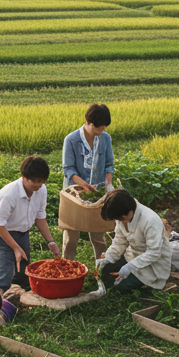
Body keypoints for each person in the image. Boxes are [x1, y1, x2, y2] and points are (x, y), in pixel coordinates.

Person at [0, 156, 60, 293]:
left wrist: (50, 241)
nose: (38, 185)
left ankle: (20, 298)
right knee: (5, 273)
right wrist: (16, 248)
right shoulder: (8, 194)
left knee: (23, 272)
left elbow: (40, 218)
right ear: (23, 176)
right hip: (4, 235)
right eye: (34, 181)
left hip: (23, 234)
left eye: (41, 181)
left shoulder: (41, 190)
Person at [60, 103, 114, 261]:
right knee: (71, 236)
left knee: (99, 235)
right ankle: (68, 267)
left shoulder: (105, 138)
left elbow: (109, 164)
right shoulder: (71, 140)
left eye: (103, 128)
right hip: (74, 193)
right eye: (98, 128)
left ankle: (101, 267)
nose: (101, 131)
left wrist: (108, 183)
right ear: (88, 123)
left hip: (97, 193)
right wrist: (83, 185)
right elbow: (68, 169)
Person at [95, 188, 170, 292]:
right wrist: (107, 258)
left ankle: (143, 283)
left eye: (122, 219)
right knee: (105, 271)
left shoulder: (150, 220)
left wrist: (131, 266)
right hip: (133, 255)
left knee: (121, 286)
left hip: (153, 263)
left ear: (130, 211)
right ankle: (126, 274)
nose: (122, 222)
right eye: (119, 220)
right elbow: (119, 242)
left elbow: (154, 253)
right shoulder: (123, 215)